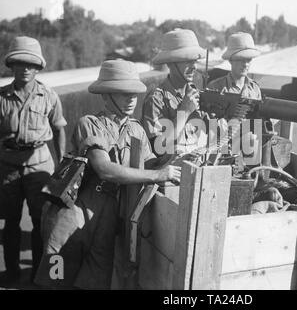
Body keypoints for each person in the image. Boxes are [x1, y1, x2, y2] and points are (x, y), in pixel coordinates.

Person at [35, 60, 181, 289]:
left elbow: (154, 163)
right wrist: (158, 175)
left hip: (109, 215)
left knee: (96, 281)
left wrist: (180, 133)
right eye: (123, 93)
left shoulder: (137, 130)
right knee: (57, 275)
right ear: (106, 96)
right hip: (75, 209)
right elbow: (104, 169)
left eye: (133, 92)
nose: (131, 98)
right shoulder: (90, 124)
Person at [0, 36, 67, 286]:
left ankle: (40, 275)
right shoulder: (2, 97)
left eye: (31, 64)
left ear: (38, 67)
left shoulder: (48, 95)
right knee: (11, 220)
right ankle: (12, 273)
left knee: (42, 221)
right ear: (11, 66)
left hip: (40, 164)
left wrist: (61, 164)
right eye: (19, 63)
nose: (25, 68)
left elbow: (59, 128)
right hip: (7, 165)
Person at [142, 28, 208, 158]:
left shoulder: (195, 94)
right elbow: (158, 148)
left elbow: (216, 134)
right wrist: (184, 111)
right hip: (169, 173)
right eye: (187, 61)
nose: (194, 66)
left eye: (194, 61)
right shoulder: (156, 99)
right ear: (170, 63)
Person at [207, 32, 263, 166]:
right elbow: (208, 123)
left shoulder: (254, 89)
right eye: (241, 59)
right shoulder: (216, 87)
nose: (245, 64)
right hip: (221, 149)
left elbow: (258, 122)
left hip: (249, 148)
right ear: (231, 60)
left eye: (248, 60)